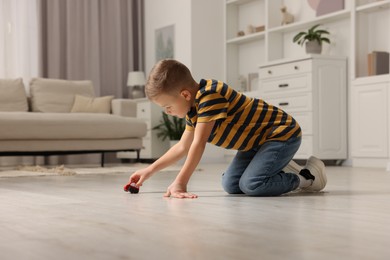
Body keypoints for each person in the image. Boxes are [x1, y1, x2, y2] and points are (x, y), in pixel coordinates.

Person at [128, 59, 326, 199]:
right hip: (254, 143)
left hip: (281, 135)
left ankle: (306, 178)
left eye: (167, 107)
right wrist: (149, 170)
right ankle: (275, 165)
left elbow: (198, 144)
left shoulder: (210, 96)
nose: (167, 112)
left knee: (251, 185)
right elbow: (182, 147)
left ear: (185, 95)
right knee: (231, 185)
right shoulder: (193, 110)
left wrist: (180, 182)